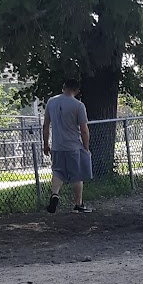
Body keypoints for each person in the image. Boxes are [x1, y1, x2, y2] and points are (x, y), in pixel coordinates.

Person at [42, 78, 93, 213]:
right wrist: (86, 146)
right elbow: (84, 129)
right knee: (76, 175)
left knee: (57, 172)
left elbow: (46, 125)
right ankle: (78, 204)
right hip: (73, 146)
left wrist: (45, 144)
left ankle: (55, 194)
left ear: (63, 87)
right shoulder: (78, 105)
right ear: (76, 91)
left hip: (57, 146)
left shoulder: (51, 102)